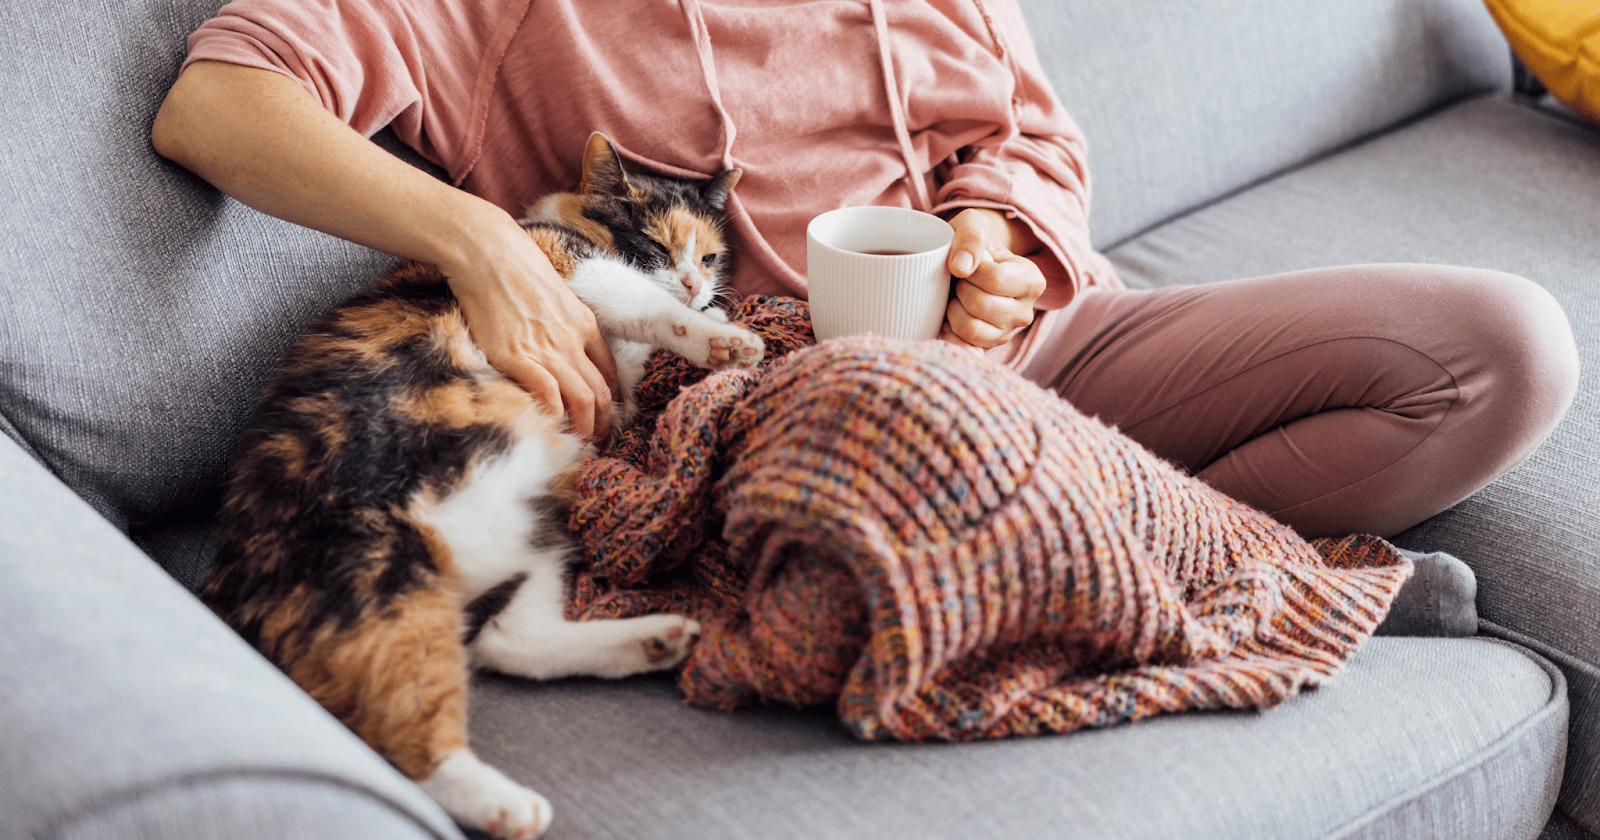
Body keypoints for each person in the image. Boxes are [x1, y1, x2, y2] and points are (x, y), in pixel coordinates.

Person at [152, 0, 1579, 540]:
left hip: (1047, 359)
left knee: (1501, 349)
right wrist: (475, 241)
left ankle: (1089, 540)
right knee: (893, 426)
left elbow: (1022, 131)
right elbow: (219, 101)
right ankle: (1071, 544)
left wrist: (1006, 247)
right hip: (784, 425)